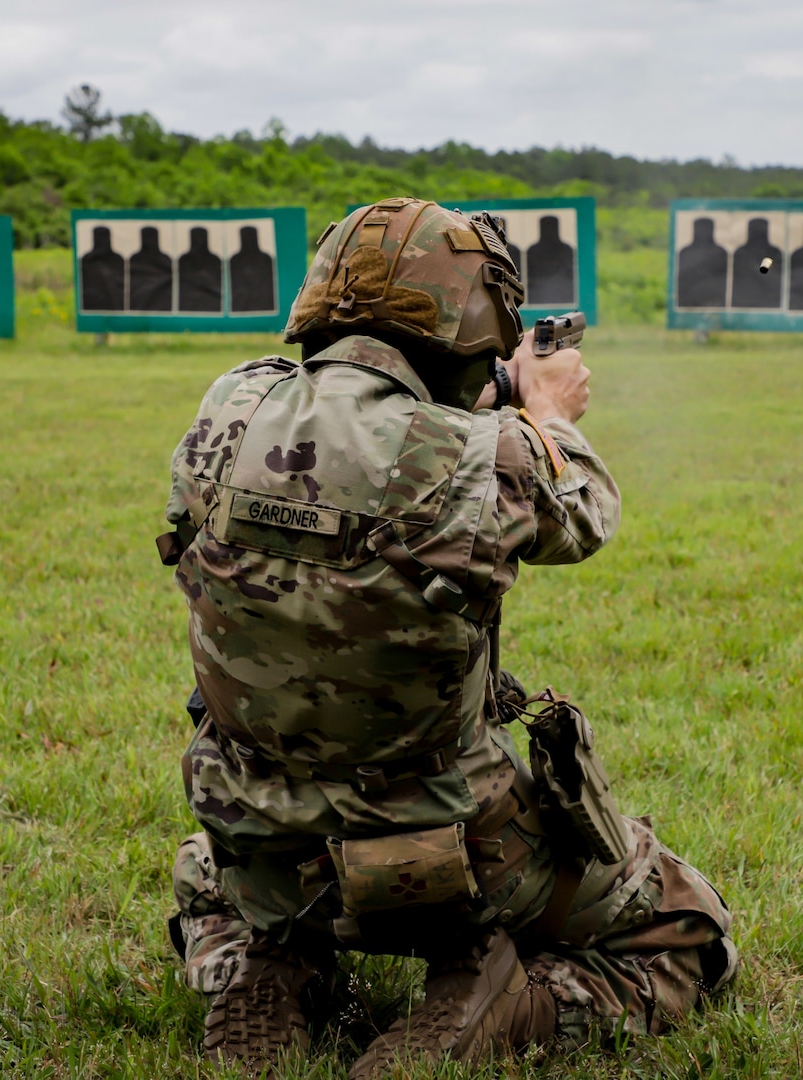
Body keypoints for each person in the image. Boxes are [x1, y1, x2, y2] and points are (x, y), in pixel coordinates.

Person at [159, 197, 737, 1078]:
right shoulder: (482, 456)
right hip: (445, 858)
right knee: (686, 930)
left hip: (261, 841)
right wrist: (544, 406)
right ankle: (507, 1010)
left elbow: (366, 430)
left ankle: (266, 961)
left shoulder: (228, 408)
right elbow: (584, 506)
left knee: (203, 875)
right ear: (470, 322)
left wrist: (492, 397)